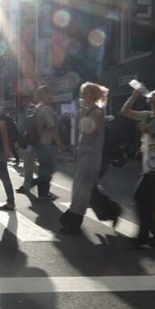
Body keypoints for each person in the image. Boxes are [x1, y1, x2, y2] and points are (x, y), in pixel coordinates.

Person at [60, 82, 121, 233]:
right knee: (88, 189)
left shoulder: (97, 112)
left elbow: (89, 132)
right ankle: (111, 210)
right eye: (83, 92)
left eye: (86, 92)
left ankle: (74, 221)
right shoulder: (89, 111)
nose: (83, 95)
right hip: (85, 155)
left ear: (94, 95)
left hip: (91, 157)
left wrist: (81, 116)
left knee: (81, 189)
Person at [120, 85, 155, 246]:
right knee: (152, 200)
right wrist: (133, 97)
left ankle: (145, 235)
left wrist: (151, 132)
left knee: (143, 198)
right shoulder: (148, 115)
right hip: (149, 164)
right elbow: (125, 112)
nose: (152, 94)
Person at [30, 86, 65, 200]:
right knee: (49, 169)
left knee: (44, 169)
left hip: (39, 144)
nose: (52, 96)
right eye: (49, 94)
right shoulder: (46, 109)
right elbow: (52, 127)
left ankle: (43, 194)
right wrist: (59, 142)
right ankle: (32, 183)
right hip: (46, 144)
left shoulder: (37, 108)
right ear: (44, 95)